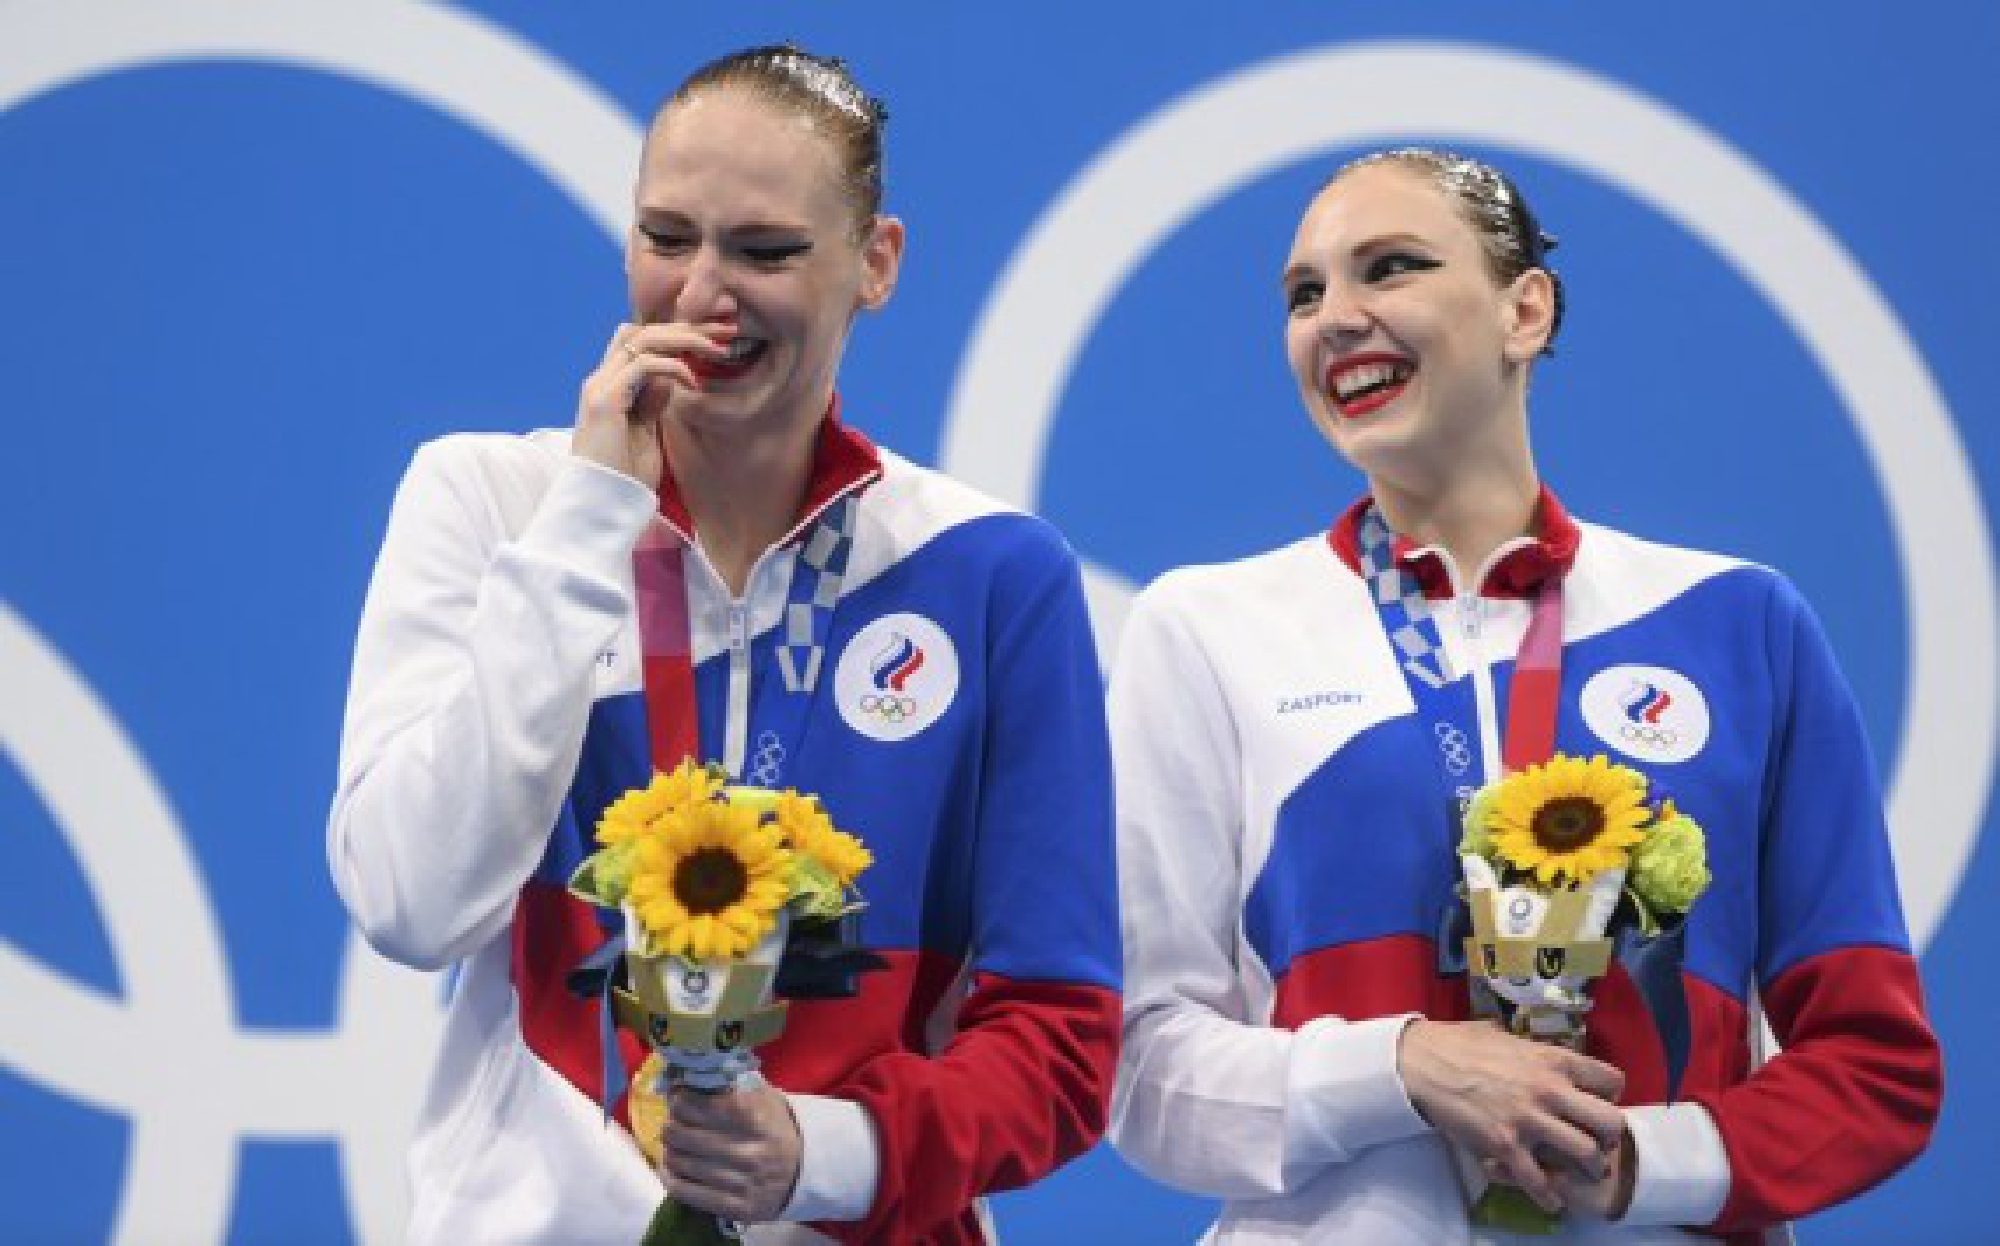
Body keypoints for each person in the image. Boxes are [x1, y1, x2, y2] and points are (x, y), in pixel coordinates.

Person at [327, 45, 1119, 1244]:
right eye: (665, 237)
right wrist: (588, 518)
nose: (704, 292)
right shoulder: (490, 501)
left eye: (764, 251)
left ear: (876, 264)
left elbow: (1059, 1039)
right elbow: (409, 900)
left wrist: (824, 1154)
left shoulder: (990, 572)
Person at [1107, 148, 1941, 1243]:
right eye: (1304, 294)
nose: (1334, 317)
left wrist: (1643, 1161)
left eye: (1389, 268)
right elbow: (1134, 1066)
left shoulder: (1737, 622)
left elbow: (1872, 1067)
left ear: (1524, 311)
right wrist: (1401, 1064)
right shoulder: (1204, 627)